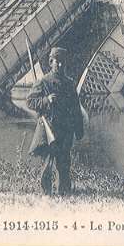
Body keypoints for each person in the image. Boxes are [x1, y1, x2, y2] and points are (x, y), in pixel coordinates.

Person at [27, 47, 84, 195]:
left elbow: (76, 109)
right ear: (51, 62)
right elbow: (30, 102)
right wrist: (46, 100)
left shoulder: (70, 84)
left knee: (64, 164)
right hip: (49, 130)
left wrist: (79, 129)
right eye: (57, 62)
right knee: (47, 164)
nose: (60, 65)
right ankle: (46, 194)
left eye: (62, 62)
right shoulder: (43, 82)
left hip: (66, 131)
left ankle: (63, 194)